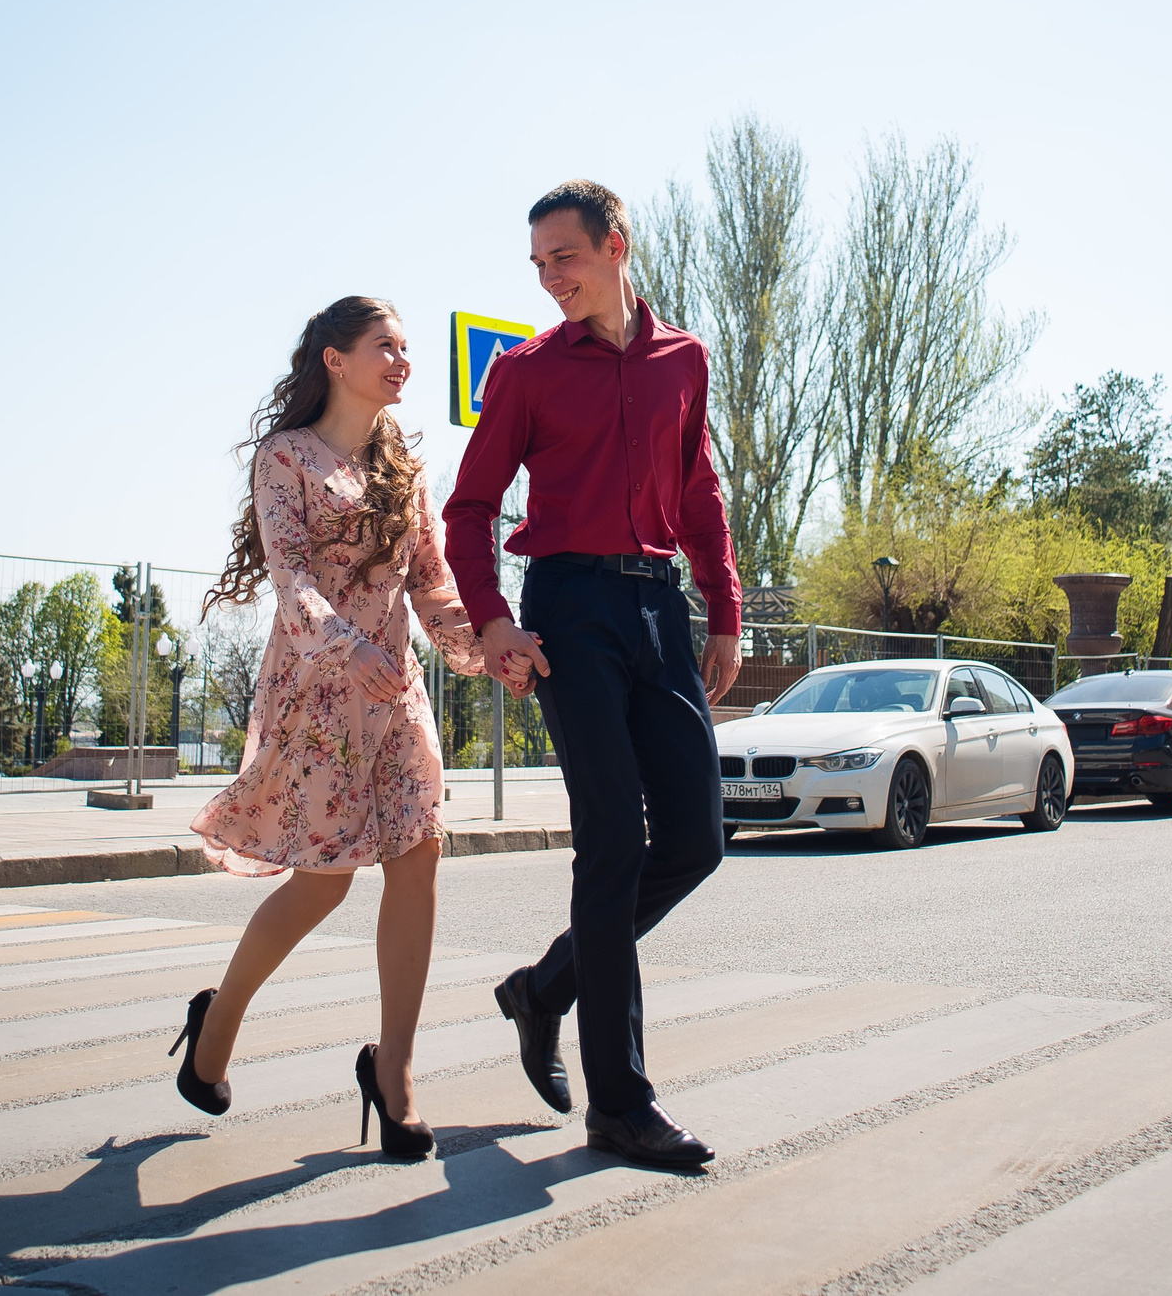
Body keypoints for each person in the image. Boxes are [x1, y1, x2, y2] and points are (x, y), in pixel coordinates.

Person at [445, 179, 744, 1171]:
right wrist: (492, 622)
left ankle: (543, 987)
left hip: (659, 604)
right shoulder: (526, 372)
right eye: (537, 264)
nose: (549, 277)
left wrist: (724, 608)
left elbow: (699, 488)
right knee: (611, 841)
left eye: (563, 256)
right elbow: (470, 507)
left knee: (696, 837)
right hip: (568, 607)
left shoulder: (683, 358)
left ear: (615, 246)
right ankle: (620, 1103)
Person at [173, 297, 489, 1160]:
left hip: (395, 695)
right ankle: (217, 1022)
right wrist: (344, 647)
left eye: (406, 348)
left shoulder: (405, 470)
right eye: (386, 346)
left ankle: (395, 1074)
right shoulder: (286, 459)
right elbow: (293, 579)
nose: (403, 361)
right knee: (326, 879)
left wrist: (484, 646)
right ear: (334, 358)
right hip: (319, 690)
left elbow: (434, 586)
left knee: (417, 860)